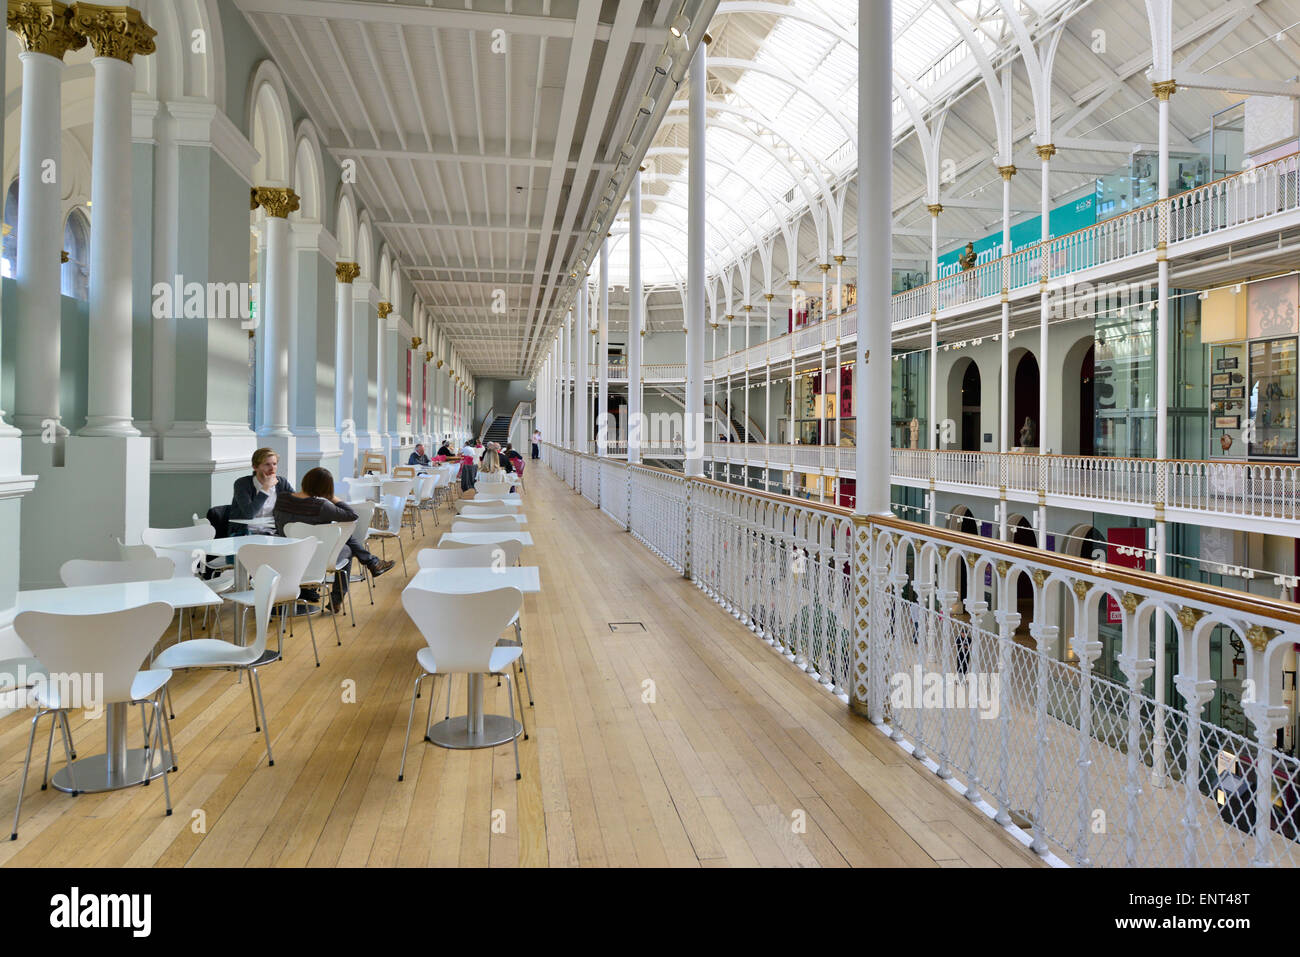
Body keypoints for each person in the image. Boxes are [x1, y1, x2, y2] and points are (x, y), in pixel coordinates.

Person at [274, 467, 394, 613]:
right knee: (347, 548)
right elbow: (352, 515)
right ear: (326, 488)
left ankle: (372, 562)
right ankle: (337, 598)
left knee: (342, 538)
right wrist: (331, 497)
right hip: (315, 558)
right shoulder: (322, 506)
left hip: (285, 556)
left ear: (305, 481)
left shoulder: (281, 499)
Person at [231, 448, 293, 535]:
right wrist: (266, 487)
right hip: (246, 533)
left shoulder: (282, 483)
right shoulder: (242, 484)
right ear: (255, 467)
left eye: (274, 464)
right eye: (267, 464)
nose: (272, 468)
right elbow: (249, 514)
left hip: (273, 532)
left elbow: (295, 504)